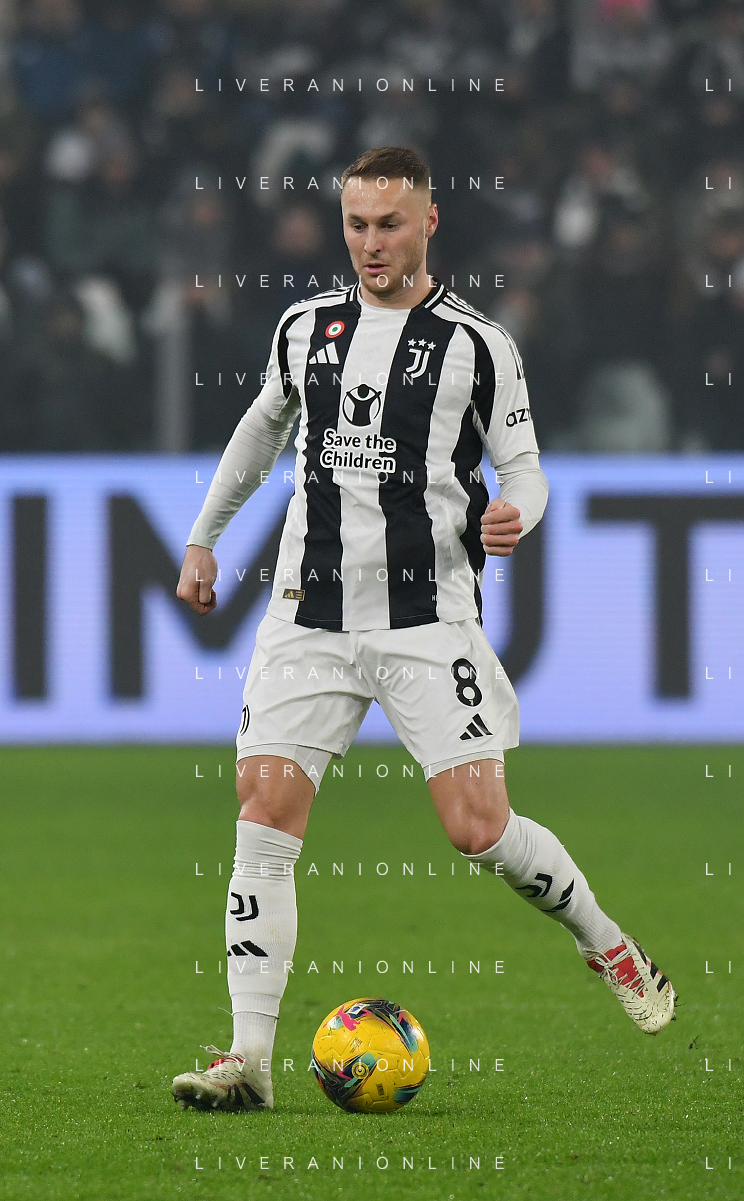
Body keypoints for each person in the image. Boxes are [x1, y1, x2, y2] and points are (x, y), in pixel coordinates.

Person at [171, 146, 676, 1113]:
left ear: (429, 222)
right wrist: (204, 536)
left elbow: (525, 468)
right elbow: (261, 430)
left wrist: (518, 513)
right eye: (356, 224)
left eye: (389, 224)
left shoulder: (478, 346)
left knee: (477, 829)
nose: (370, 243)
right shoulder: (304, 328)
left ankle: (606, 941)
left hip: (426, 618)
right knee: (262, 810)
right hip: (309, 614)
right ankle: (248, 1060)